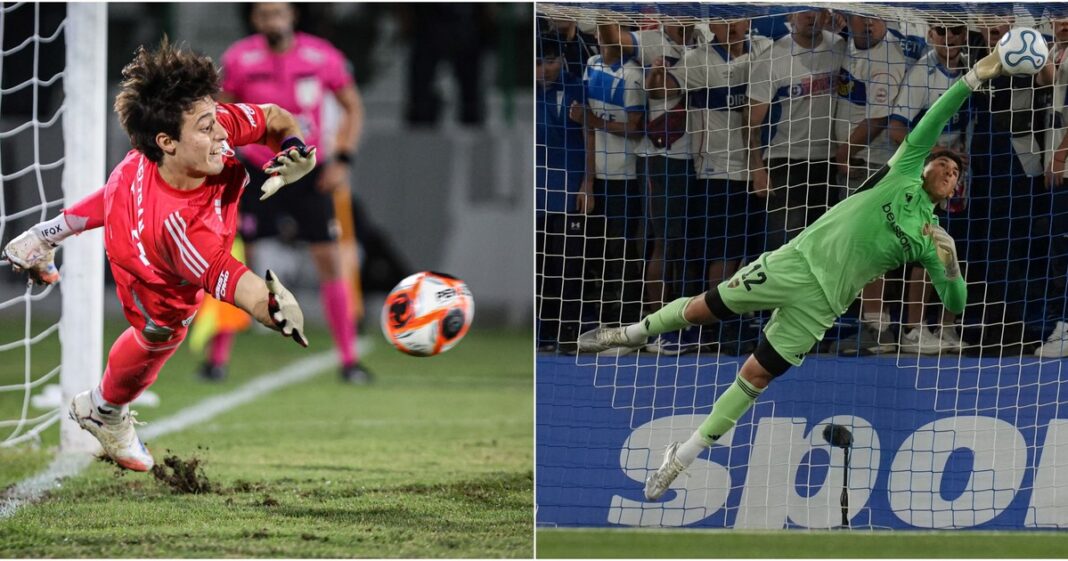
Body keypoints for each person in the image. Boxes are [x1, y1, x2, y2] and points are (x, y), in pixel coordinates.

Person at [578, 44, 1006, 501]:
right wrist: (974, 78)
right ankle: (631, 333)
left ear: (957, 189)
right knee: (705, 310)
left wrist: (951, 263)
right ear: (923, 166)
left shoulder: (933, 238)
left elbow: (956, 303)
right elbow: (935, 116)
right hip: (796, 263)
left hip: (822, 305)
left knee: (756, 377)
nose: (948, 170)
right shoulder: (901, 171)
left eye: (956, 172)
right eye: (942, 163)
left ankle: (681, 456)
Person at [1, 39, 312, 471]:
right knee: (163, 331)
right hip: (147, 263)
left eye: (215, 119)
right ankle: (103, 408)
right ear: (167, 141)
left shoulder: (192, 131)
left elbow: (276, 118)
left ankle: (43, 235)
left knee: (124, 180)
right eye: (206, 129)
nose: (222, 134)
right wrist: (276, 309)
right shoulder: (184, 232)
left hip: (132, 183)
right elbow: (234, 279)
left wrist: (294, 146)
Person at [219, 2, 370, 383]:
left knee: (329, 260)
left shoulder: (322, 56)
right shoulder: (239, 58)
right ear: (255, 19)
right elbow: (220, 114)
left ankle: (349, 360)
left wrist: (343, 160)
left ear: (292, 16)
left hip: (308, 170)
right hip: (255, 169)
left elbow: (352, 107)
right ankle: (216, 359)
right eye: (265, 14)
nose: (273, 20)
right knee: (231, 259)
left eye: (279, 12)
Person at [645, 18, 773, 355]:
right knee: (719, 254)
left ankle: (733, 321)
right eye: (723, 20)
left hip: (754, 171)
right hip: (715, 170)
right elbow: (662, 92)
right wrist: (657, 73)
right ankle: (710, 325)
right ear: (712, 25)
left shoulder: (763, 49)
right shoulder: (698, 60)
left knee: (745, 255)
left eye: (737, 18)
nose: (732, 26)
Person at [887, 24, 972, 354]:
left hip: (960, 178)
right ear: (931, 35)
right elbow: (897, 129)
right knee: (926, 253)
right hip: (927, 178)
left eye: (957, 32)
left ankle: (947, 327)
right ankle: (914, 329)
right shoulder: (921, 73)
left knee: (953, 251)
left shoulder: (970, 70)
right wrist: (937, 152)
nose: (950, 39)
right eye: (942, 32)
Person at [832, 13, 908, 355]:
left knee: (868, 247)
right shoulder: (849, 45)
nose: (867, 25)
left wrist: (845, 152)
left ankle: (879, 330)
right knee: (854, 248)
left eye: (874, 19)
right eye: (860, 17)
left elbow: (879, 118)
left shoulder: (887, 57)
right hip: (854, 163)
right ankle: (868, 324)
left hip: (871, 165)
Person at [568, 23, 647, 333]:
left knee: (623, 249)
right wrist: (588, 180)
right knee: (596, 249)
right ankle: (600, 317)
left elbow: (637, 126)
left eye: (609, 30)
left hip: (627, 175)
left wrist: (595, 120)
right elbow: (588, 126)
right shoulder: (591, 66)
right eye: (600, 30)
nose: (602, 35)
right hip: (599, 174)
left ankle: (625, 321)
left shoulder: (633, 74)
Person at [747, 9, 845, 250]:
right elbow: (751, 121)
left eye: (816, 11)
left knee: (822, 245)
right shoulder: (773, 58)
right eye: (803, 12)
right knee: (782, 247)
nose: (810, 17)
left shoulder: (840, 46)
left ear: (825, 15)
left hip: (828, 161)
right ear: (790, 16)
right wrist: (757, 168)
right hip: (785, 162)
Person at [536, 33, 587, 353]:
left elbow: (590, 136)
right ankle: (541, 334)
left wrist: (588, 182)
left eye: (551, 61)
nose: (545, 69)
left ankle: (568, 333)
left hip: (569, 188)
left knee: (567, 264)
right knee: (541, 266)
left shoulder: (575, 88)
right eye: (539, 62)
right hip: (539, 192)